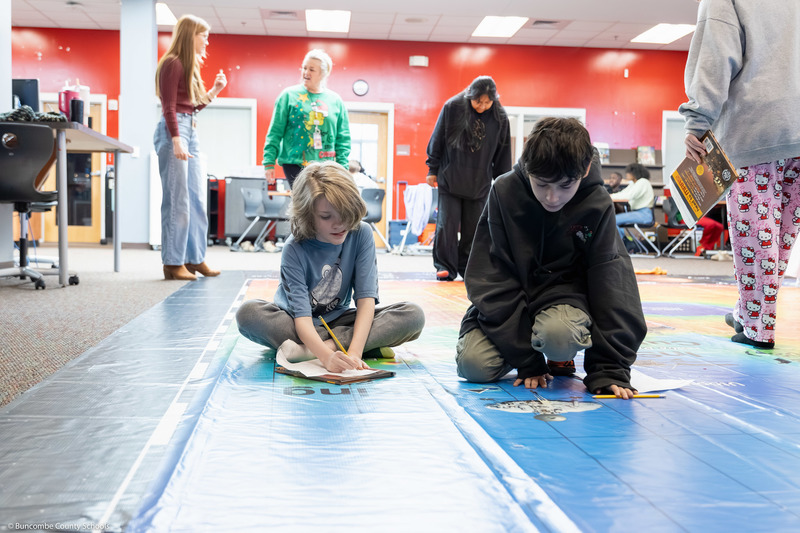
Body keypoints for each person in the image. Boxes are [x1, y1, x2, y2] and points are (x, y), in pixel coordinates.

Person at [456, 117, 646, 399]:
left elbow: (613, 283)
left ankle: (558, 355)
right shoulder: (503, 191)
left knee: (558, 335)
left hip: (563, 301)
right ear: (528, 167)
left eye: (565, 186)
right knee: (473, 366)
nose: (553, 197)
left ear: (585, 170)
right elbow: (489, 277)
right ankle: (534, 347)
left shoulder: (597, 202)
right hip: (512, 299)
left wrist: (610, 368)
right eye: (541, 184)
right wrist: (525, 360)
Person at [680, 0, 800, 349]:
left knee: (756, 239)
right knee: (779, 237)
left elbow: (715, 55)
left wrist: (697, 121)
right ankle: (748, 313)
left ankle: (759, 329)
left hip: (754, 126)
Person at [236, 161, 425, 371]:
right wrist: (327, 358)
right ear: (307, 214)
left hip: (341, 320)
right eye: (326, 217)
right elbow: (302, 319)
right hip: (296, 323)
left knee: (413, 315)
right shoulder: (294, 248)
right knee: (248, 313)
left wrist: (353, 352)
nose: (340, 224)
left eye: (345, 212)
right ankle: (357, 342)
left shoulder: (361, 233)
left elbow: (365, 301)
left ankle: (311, 350)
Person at [154, 14, 226, 281]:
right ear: (189, 35)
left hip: (190, 128)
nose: (206, 41)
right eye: (203, 35)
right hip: (175, 131)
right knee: (178, 200)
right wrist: (176, 139)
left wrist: (215, 90)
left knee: (197, 199)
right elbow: (169, 107)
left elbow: (191, 107)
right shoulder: (172, 63)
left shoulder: (189, 65)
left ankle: (195, 258)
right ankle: (173, 263)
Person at [425, 76, 512, 281]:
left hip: (479, 182)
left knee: (474, 229)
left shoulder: (499, 116)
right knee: (447, 226)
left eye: (487, 102)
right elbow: (437, 139)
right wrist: (432, 169)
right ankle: (445, 267)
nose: (482, 106)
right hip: (450, 178)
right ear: (469, 96)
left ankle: (468, 268)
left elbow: (503, 152)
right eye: (478, 101)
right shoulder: (452, 107)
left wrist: (503, 181)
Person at [262, 49, 351, 189]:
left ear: (323, 73)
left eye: (311, 69)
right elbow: (275, 131)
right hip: (294, 163)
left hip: (326, 165)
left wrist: (343, 167)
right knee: (305, 203)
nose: (306, 73)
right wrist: (269, 162)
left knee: (323, 205)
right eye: (304, 68)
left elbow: (343, 138)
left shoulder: (335, 101)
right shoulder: (288, 96)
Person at [610, 163, 655, 251]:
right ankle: (627, 243)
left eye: (629, 172)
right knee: (611, 220)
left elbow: (628, 196)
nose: (626, 174)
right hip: (638, 213)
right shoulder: (634, 184)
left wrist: (608, 197)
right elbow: (622, 193)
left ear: (635, 173)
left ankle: (625, 244)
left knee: (612, 220)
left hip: (644, 214)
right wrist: (610, 196)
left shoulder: (642, 182)